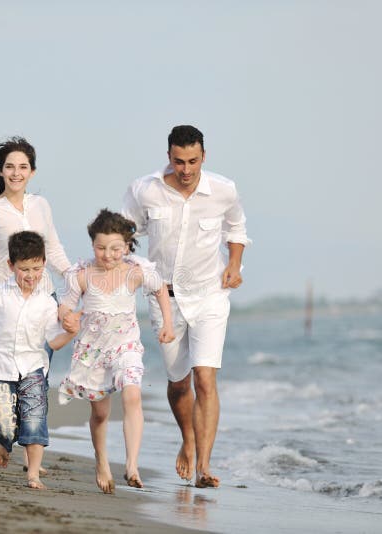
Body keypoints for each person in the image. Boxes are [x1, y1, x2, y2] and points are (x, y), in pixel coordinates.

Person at [122, 125, 251, 489]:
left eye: (193, 161)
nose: (186, 169)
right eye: (179, 161)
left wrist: (234, 265)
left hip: (210, 295)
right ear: (169, 157)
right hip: (164, 299)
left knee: (205, 379)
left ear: (204, 157)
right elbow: (124, 235)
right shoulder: (145, 190)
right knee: (179, 385)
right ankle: (188, 440)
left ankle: (204, 466)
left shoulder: (223, 190)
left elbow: (237, 230)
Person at [0, 136, 76, 473]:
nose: (16, 172)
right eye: (10, 166)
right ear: (1, 170)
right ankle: (4, 435)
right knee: (2, 384)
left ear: (32, 171)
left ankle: (30, 454)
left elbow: (52, 249)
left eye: (23, 166)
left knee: (36, 378)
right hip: (2, 306)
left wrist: (75, 277)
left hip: (43, 300)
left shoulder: (41, 206)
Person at [57, 209, 175, 494]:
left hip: (126, 346)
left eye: (115, 249)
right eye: (100, 248)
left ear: (126, 246)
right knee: (100, 414)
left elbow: (160, 289)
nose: (108, 255)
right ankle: (102, 461)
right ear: (92, 245)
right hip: (92, 353)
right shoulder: (82, 276)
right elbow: (65, 305)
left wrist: (168, 323)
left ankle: (132, 465)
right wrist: (67, 317)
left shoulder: (134, 273)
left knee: (133, 395)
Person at [0, 231, 77, 490]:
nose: (31, 275)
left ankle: (33, 473)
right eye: (24, 269)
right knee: (5, 424)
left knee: (34, 419)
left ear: (44, 263)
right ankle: (4, 441)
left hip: (33, 368)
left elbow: (53, 341)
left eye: (36, 267)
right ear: (11, 266)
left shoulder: (46, 303)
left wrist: (70, 332)